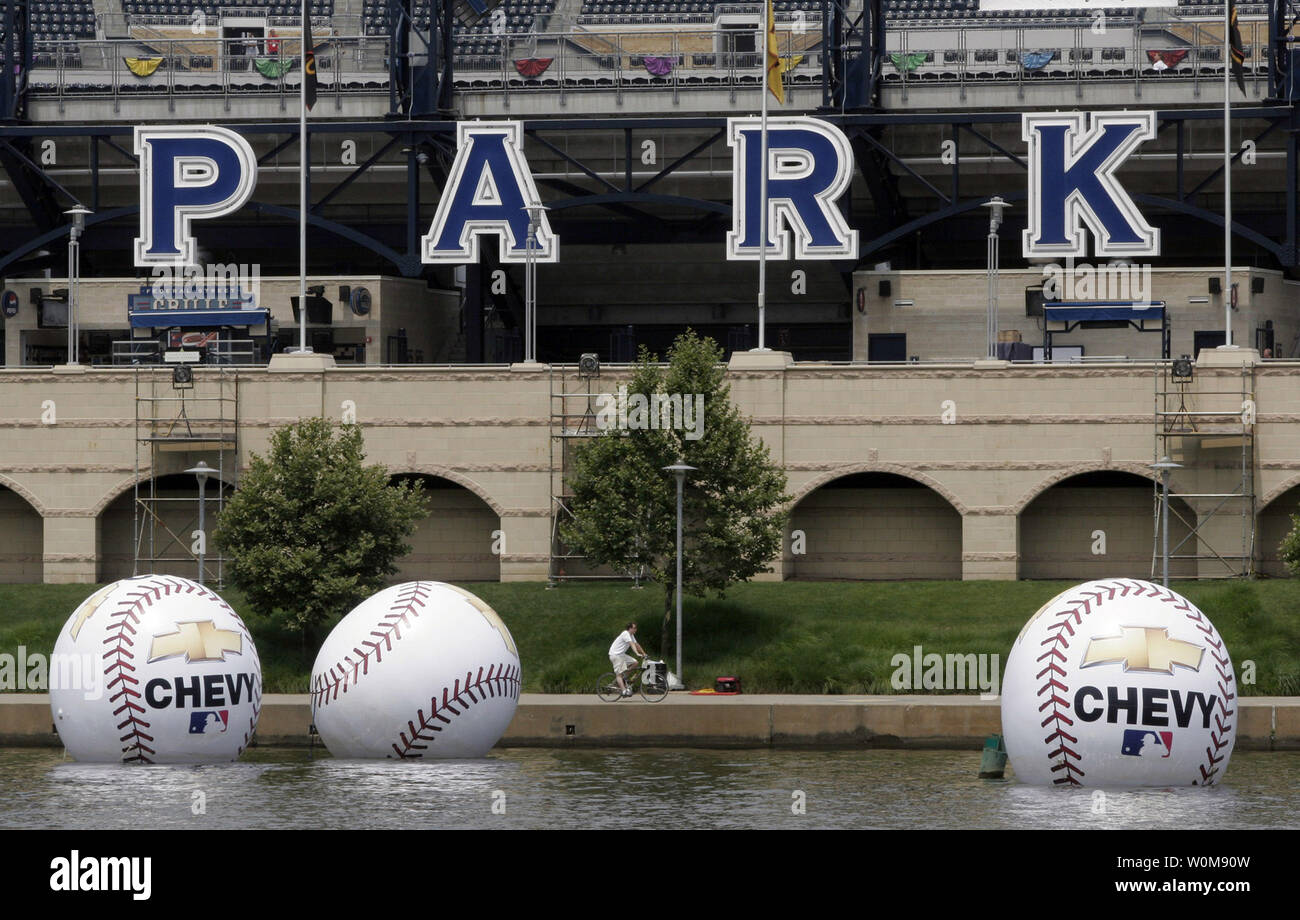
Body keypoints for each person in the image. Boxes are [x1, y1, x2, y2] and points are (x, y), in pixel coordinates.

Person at [608, 622, 646, 697]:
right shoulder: (625, 633)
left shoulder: (631, 635)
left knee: (635, 662)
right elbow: (632, 644)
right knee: (619, 674)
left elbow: (636, 644)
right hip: (615, 655)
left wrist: (644, 653)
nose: (636, 629)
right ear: (630, 628)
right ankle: (624, 691)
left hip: (621, 655)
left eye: (636, 628)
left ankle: (624, 677)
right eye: (634, 628)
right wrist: (637, 653)